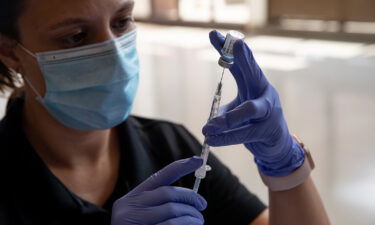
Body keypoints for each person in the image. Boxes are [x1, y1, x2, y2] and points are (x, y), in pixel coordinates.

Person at [0, 0, 331, 224]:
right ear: (10, 52)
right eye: (74, 37)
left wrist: (286, 167)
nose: (114, 54)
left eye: (121, 21)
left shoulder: (171, 148)